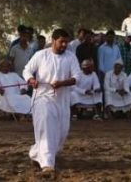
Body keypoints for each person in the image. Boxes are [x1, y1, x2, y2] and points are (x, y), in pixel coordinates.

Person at [22, 28, 81, 175]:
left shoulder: (71, 57)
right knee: (47, 129)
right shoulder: (41, 55)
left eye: (66, 42)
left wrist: (62, 83)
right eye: (61, 42)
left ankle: (36, 154)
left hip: (62, 100)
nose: (64, 45)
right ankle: (48, 165)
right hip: (42, 98)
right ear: (53, 41)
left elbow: (77, 77)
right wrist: (31, 80)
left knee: (61, 133)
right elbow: (26, 70)